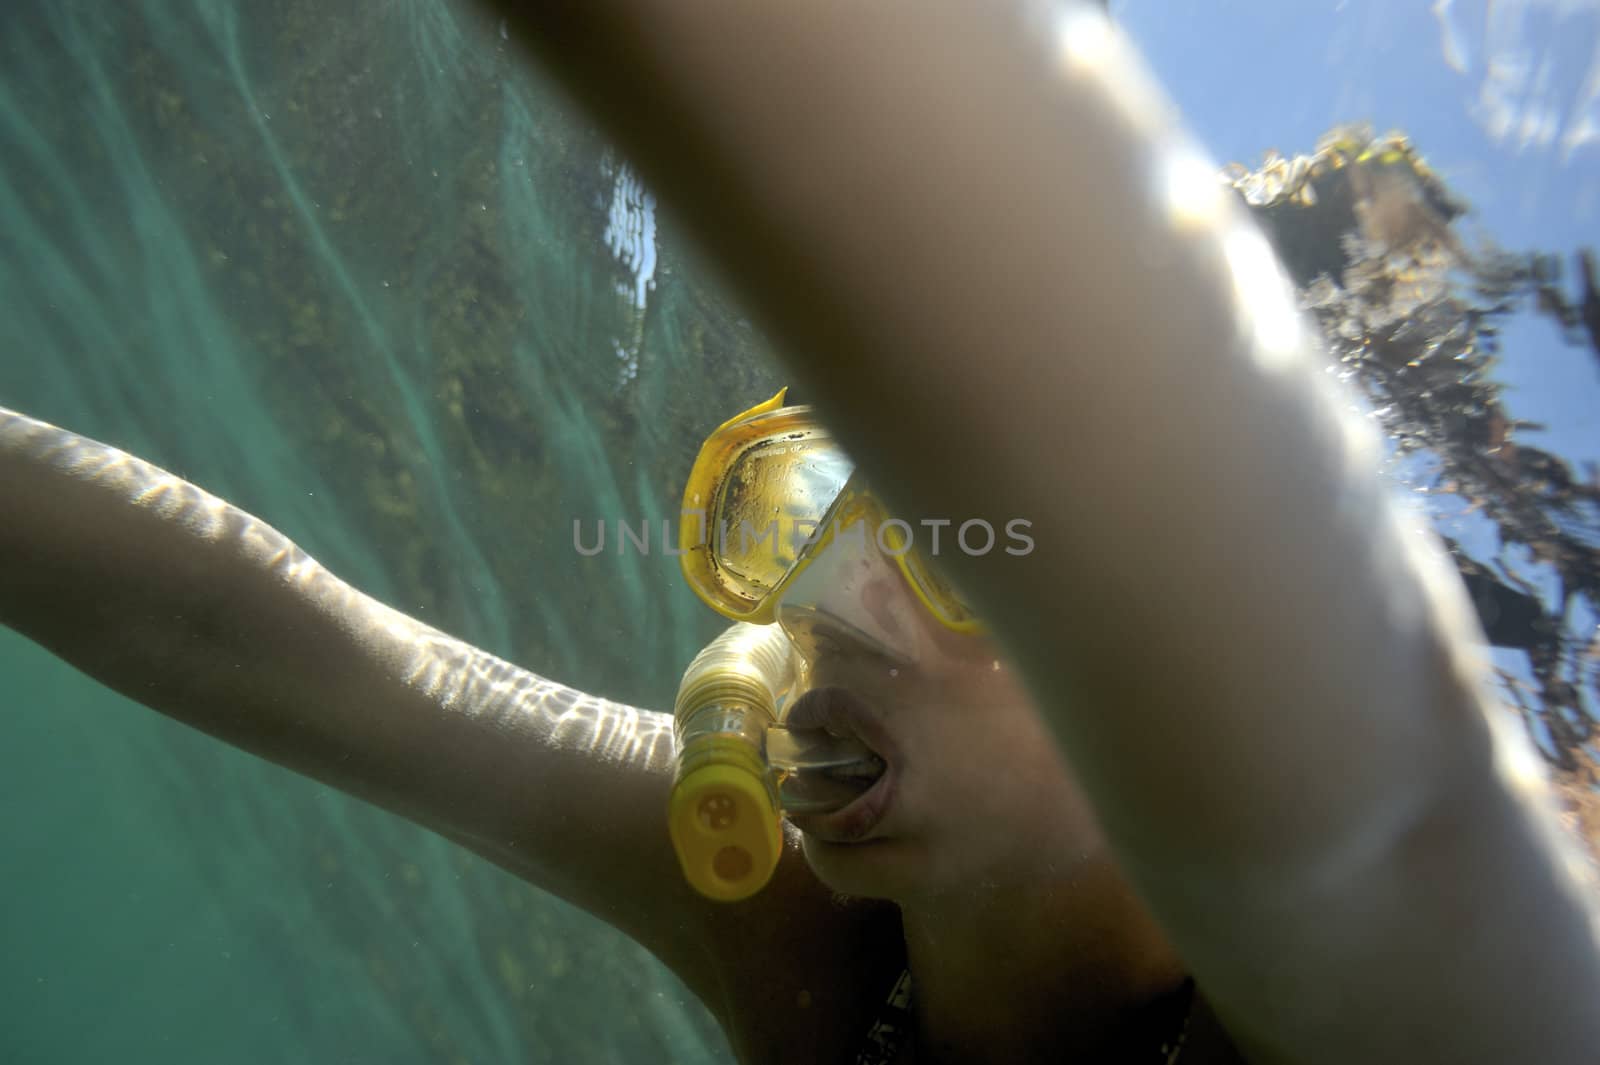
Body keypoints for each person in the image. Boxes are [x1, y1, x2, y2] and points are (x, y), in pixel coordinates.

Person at [5, 4, 1600, 1065]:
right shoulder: (787, 915)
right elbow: (265, 635)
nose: (827, 603)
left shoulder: (1394, 982)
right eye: (800, 506)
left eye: (961, 557)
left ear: (1183, 665)